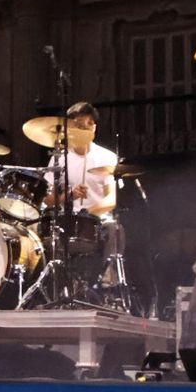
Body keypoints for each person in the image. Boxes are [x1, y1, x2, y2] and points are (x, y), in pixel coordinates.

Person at [46, 101, 127, 291]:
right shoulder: (60, 158)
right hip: (67, 220)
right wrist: (69, 195)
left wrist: (88, 214)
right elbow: (47, 200)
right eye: (79, 125)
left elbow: (111, 199)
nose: (84, 129)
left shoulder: (107, 157)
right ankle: (58, 288)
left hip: (97, 220)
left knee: (116, 229)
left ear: (94, 128)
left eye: (88, 125)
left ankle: (109, 286)